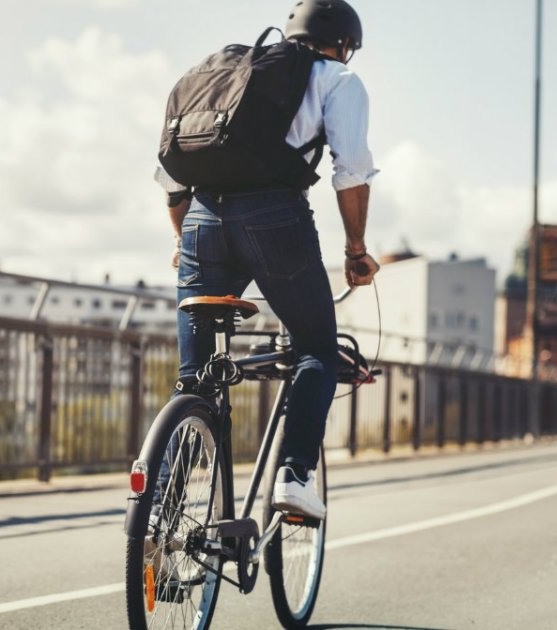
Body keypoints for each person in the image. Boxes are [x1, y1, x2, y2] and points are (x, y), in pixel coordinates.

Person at [155, 0, 379, 520]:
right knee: (317, 349)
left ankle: (160, 510)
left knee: (195, 379)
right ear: (343, 44)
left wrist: (183, 241)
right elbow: (352, 171)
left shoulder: (223, 77)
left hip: (201, 220)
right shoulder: (338, 80)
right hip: (275, 220)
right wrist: (356, 251)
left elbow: (171, 181)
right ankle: (294, 476)